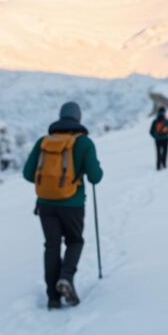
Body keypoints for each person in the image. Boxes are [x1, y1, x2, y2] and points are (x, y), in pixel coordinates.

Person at [23, 101, 103, 310]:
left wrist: (50, 183)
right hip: (72, 204)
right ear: (78, 118)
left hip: (45, 204)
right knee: (74, 241)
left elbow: (28, 174)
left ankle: (53, 297)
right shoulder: (84, 143)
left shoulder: (44, 142)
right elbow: (95, 177)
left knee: (51, 245)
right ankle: (66, 277)